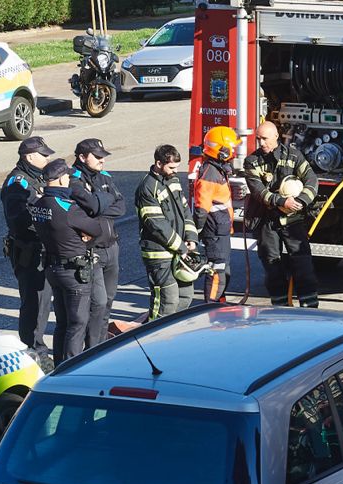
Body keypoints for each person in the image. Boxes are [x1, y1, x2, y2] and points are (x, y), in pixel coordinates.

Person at [28, 158, 107, 364]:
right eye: (67, 177)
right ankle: (73, 366)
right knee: (77, 323)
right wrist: (84, 236)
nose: (69, 181)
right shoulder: (67, 207)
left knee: (62, 323)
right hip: (74, 272)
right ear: (62, 180)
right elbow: (97, 229)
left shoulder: (38, 204)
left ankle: (59, 365)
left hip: (53, 269)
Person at [243, 120, 321, 308]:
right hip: (266, 221)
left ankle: (310, 308)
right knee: (273, 267)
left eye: (265, 138)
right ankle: (280, 309)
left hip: (293, 220)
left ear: (276, 136)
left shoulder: (293, 156)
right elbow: (259, 192)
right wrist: (281, 201)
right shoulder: (252, 161)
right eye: (258, 139)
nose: (261, 143)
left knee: (303, 265)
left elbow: (311, 180)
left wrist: (301, 201)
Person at [0, 136, 56, 359]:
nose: (47, 158)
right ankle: (34, 351)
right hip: (30, 252)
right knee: (35, 302)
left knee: (45, 302)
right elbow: (19, 221)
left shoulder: (38, 176)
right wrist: (47, 224)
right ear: (30, 157)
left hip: (43, 248)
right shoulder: (18, 184)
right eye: (44, 155)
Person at [68, 138, 124, 346]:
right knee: (97, 303)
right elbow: (90, 206)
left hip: (111, 246)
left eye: (103, 156)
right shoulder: (73, 179)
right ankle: (92, 348)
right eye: (98, 157)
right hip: (92, 251)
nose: (102, 160)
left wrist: (99, 206)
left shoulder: (104, 176)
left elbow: (121, 207)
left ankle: (102, 345)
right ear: (82, 157)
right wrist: (101, 202)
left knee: (108, 301)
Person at [135, 144, 199, 320]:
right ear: (158, 163)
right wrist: (181, 247)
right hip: (159, 254)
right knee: (167, 300)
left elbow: (185, 210)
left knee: (185, 296)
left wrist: (191, 237)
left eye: (177, 167)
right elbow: (157, 225)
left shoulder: (173, 180)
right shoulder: (147, 188)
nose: (175, 171)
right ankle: (155, 332)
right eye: (171, 167)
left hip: (179, 251)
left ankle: (174, 332)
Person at [193, 125, 239, 303]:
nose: (234, 151)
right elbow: (201, 209)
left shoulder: (216, 169)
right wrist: (194, 234)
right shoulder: (210, 174)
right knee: (217, 270)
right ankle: (211, 308)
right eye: (231, 148)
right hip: (215, 230)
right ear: (221, 150)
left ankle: (219, 306)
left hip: (220, 229)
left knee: (223, 271)